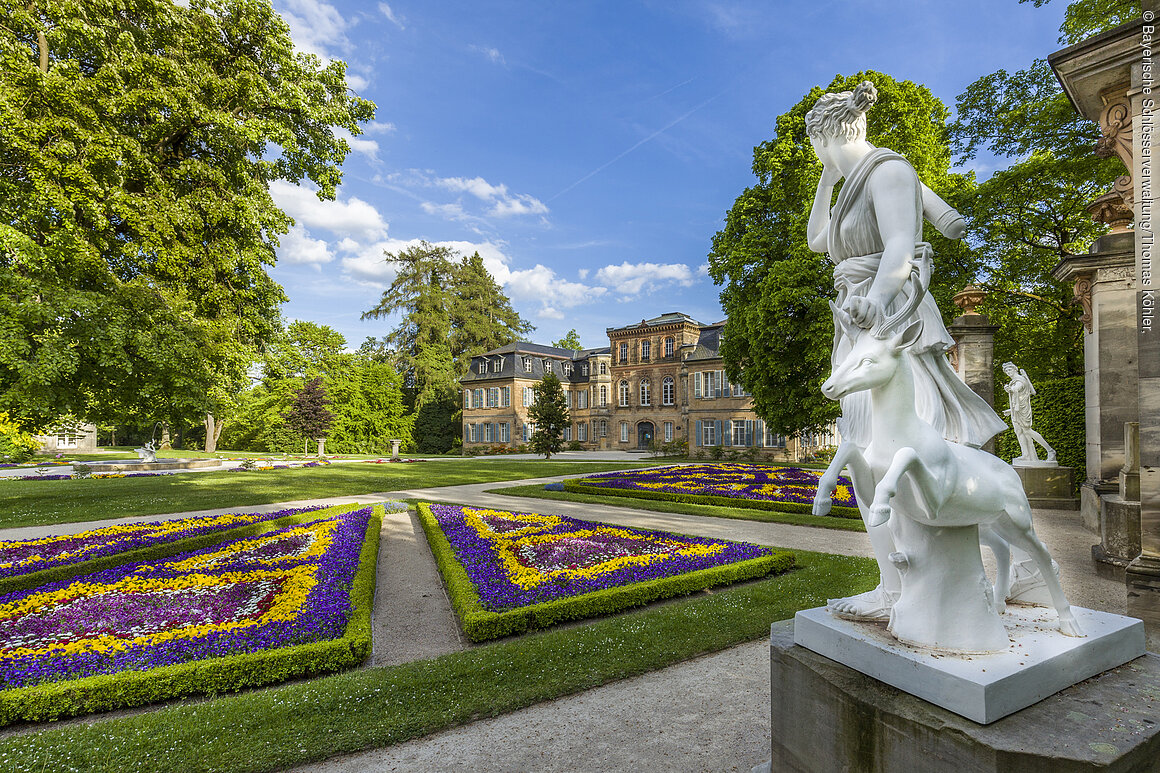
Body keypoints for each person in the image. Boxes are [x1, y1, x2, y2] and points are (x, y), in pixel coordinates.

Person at [805, 81, 1008, 620]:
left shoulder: (890, 172)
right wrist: (829, 171)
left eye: (817, 147)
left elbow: (899, 246)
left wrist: (874, 302)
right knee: (863, 452)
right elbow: (816, 241)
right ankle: (891, 585)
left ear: (823, 135)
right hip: (856, 319)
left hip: (890, 318)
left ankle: (933, 589)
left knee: (908, 443)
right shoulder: (852, 181)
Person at [1002, 362, 1056, 463]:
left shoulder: (1019, 380)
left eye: (1010, 370)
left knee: (1027, 431)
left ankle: (1050, 451)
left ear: (1015, 369)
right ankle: (1026, 455)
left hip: (1022, 410)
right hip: (1016, 410)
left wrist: (1010, 389)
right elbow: (1032, 392)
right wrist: (1011, 410)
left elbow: (1017, 388)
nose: (1008, 372)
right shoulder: (1018, 380)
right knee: (1018, 431)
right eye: (1006, 371)